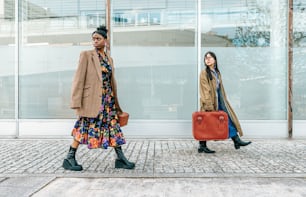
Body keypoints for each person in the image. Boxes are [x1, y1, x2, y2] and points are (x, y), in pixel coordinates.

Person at [62, 26, 135, 171]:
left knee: (113, 128)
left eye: (98, 39)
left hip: (108, 101)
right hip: (92, 101)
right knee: (85, 127)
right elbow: (78, 79)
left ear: (106, 41)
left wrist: (114, 101)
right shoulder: (86, 55)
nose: (95, 41)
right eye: (93, 39)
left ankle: (120, 158)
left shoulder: (109, 59)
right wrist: (76, 102)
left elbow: (110, 80)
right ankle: (69, 158)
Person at [198, 51, 251, 153]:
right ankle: (202, 145)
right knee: (206, 123)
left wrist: (224, 101)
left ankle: (236, 140)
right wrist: (209, 105)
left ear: (215, 59)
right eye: (206, 58)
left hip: (219, 101)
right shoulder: (204, 73)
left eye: (209, 57)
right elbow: (206, 90)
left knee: (227, 119)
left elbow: (220, 89)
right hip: (210, 102)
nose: (207, 59)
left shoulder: (217, 73)